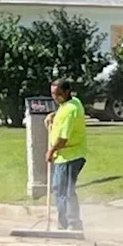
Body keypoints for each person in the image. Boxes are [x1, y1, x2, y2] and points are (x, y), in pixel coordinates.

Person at [46, 79, 87, 232]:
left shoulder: (71, 110)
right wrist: (54, 116)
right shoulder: (73, 103)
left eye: (58, 94)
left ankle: (72, 223)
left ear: (67, 92)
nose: (55, 97)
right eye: (53, 94)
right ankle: (65, 223)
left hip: (70, 156)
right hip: (64, 156)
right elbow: (63, 113)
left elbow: (63, 139)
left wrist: (51, 151)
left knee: (65, 190)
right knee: (59, 189)